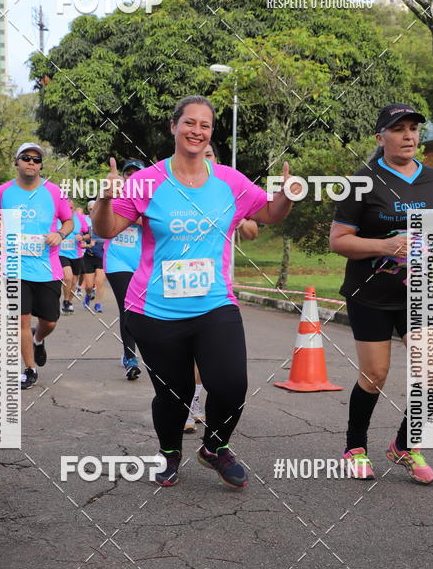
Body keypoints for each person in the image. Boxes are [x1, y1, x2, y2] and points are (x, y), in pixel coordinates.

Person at [93, 95, 293, 489]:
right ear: (174, 127)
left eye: (204, 125)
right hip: (154, 310)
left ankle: (215, 447)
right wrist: (103, 198)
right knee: (175, 393)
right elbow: (107, 230)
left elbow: (268, 214)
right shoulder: (147, 181)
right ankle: (170, 455)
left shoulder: (230, 181)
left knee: (232, 384)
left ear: (210, 133)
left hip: (214, 303)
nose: (196, 131)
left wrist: (285, 195)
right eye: (189, 123)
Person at [329, 103, 433, 484]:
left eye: (414, 128)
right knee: (375, 374)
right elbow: (338, 241)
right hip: (370, 292)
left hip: (418, 289)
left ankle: (406, 445)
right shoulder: (361, 181)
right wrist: (385, 246)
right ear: (380, 137)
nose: (409, 135)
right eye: (399, 129)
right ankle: (355, 446)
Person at [184, 142, 259, 432]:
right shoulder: (180, 191)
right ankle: (187, 401)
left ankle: (195, 403)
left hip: (217, 288)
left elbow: (253, 231)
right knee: (184, 354)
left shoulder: (229, 191)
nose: (203, 158)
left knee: (212, 358)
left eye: (210, 154)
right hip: (178, 284)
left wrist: (238, 219)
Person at [0, 143, 73, 389]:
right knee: (21, 320)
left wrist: (59, 234)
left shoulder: (53, 192)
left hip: (46, 268)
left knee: (50, 321)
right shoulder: (2, 193)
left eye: (36, 160)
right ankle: (29, 369)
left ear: (40, 166)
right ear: (16, 162)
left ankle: (39, 339)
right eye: (26, 158)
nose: (31, 162)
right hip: (14, 269)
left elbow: (68, 221)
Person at [103, 160, 144, 380]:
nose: (132, 177)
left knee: (142, 311)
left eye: (137, 174)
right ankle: (130, 358)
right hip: (117, 262)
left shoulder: (151, 200)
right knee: (127, 307)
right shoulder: (114, 196)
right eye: (128, 173)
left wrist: (136, 218)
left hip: (143, 263)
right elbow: (101, 222)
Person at [59, 197, 89, 314]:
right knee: (68, 277)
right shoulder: (56, 218)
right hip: (61, 254)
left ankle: (68, 301)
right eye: (66, 208)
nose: (68, 210)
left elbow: (88, 235)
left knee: (74, 281)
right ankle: (66, 301)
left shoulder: (79, 219)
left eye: (71, 208)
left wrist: (82, 237)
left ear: (74, 208)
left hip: (76, 255)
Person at [81, 200, 106, 313]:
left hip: (102, 258)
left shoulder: (106, 223)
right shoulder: (87, 226)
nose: (93, 211)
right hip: (89, 257)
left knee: (100, 281)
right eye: (91, 209)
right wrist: (87, 243)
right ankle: (87, 295)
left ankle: (98, 304)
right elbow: (81, 244)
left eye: (95, 209)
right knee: (89, 286)